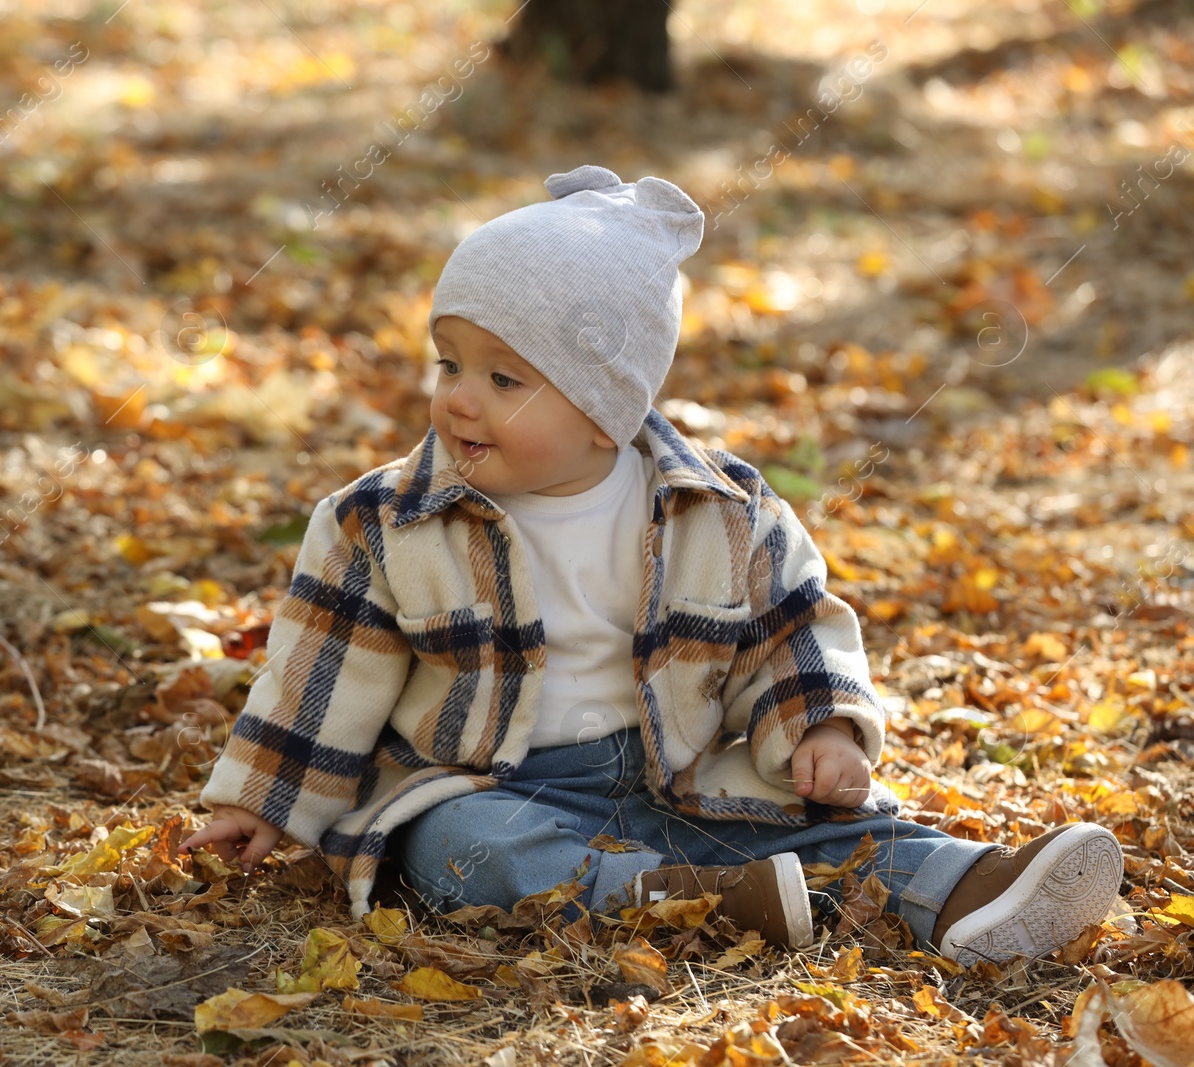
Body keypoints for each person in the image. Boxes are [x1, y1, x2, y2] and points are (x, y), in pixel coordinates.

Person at [181, 164, 1123, 965]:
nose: (458, 401)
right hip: (499, 785)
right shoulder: (384, 521)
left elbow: (790, 626)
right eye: (448, 362)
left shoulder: (720, 510)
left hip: (678, 766)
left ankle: (966, 886)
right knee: (450, 849)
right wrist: (268, 802)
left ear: (605, 409)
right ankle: (699, 898)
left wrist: (822, 728)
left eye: (503, 379)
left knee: (828, 816)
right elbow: (321, 673)